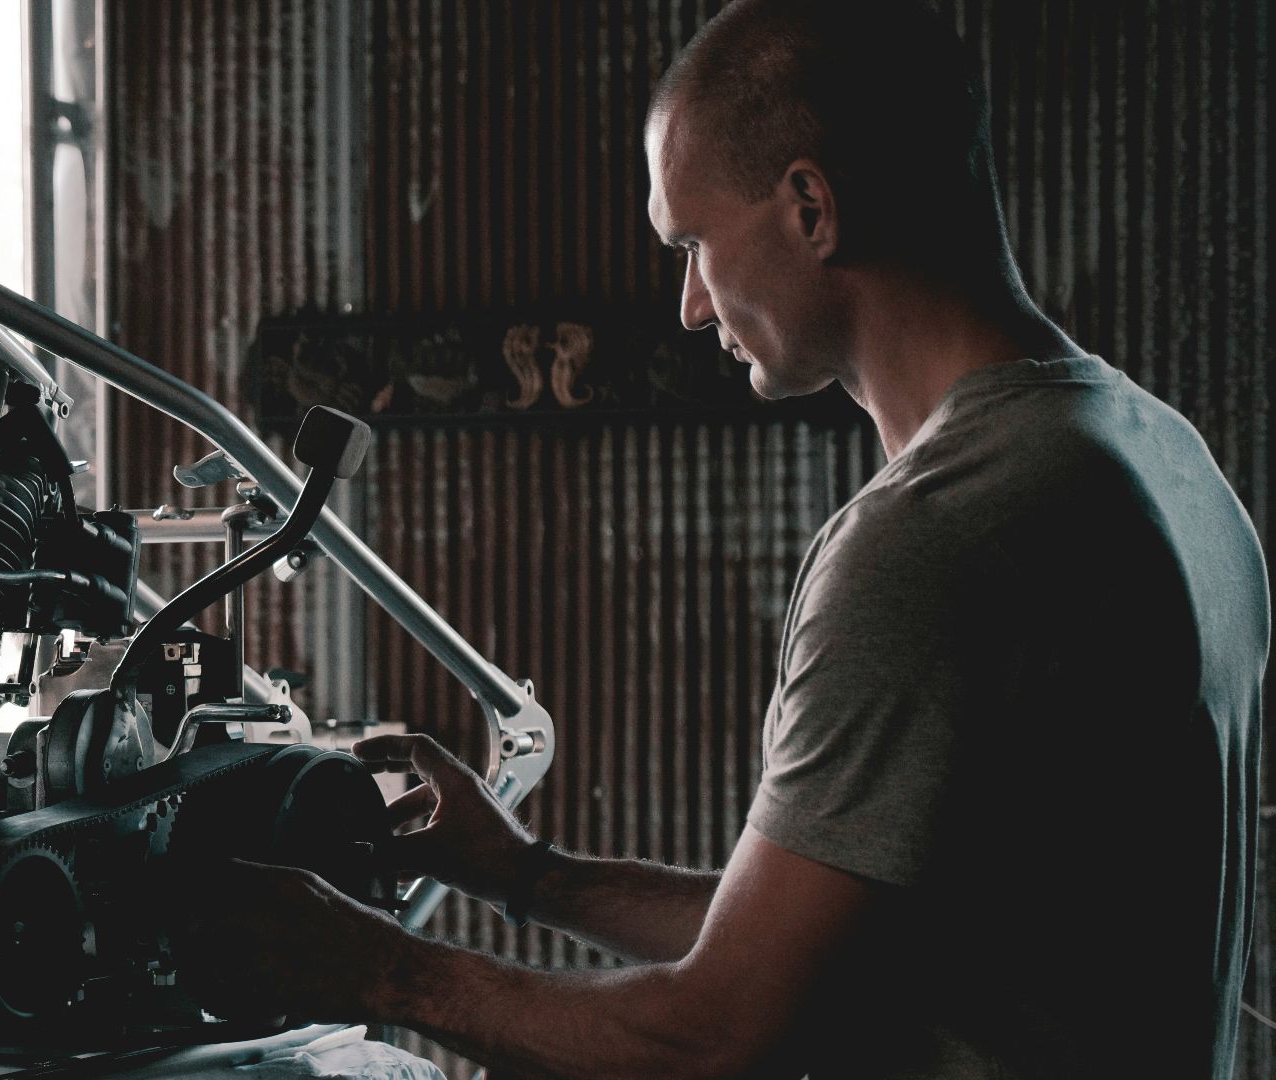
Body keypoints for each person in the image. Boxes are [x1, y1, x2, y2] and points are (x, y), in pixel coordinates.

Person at [181, 0, 1269, 1076]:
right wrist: (526, 876)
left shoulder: (934, 537)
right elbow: (837, 947)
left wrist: (377, 971)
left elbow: (710, 1039)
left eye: (694, 244)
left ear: (811, 208)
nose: (692, 305)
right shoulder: (1162, 462)